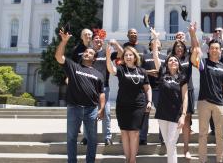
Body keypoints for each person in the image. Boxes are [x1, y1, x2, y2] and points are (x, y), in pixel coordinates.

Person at [55, 29, 104, 163]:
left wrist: (102, 108)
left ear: (94, 58)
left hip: (91, 110)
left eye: (90, 53)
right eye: (86, 52)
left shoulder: (98, 74)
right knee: (71, 138)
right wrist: (64, 41)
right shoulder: (74, 67)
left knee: (92, 139)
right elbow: (59, 57)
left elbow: (101, 93)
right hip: (74, 108)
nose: (87, 53)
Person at [189, 22, 223, 163]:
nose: (214, 50)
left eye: (217, 48)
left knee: (220, 135)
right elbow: (196, 48)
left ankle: (220, 160)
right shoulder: (203, 64)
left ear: (220, 51)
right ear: (209, 50)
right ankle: (202, 160)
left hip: (220, 103)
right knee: (202, 134)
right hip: (204, 102)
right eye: (212, 48)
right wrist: (193, 33)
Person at [106, 45, 152, 163]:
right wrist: (108, 56)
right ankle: (128, 159)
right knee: (125, 132)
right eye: (126, 55)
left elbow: (147, 88)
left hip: (138, 105)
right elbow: (112, 70)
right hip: (122, 106)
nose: (128, 57)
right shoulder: (121, 69)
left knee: (135, 132)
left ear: (135, 57)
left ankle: (133, 159)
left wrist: (149, 101)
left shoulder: (142, 71)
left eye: (130, 55)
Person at [150, 29, 188, 163]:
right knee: (168, 144)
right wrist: (155, 39)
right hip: (162, 113)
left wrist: (183, 115)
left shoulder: (182, 78)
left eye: (175, 61)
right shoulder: (163, 74)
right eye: (170, 60)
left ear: (178, 64)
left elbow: (185, 97)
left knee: (171, 143)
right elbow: (155, 54)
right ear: (167, 63)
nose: (173, 62)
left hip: (175, 114)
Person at [91, 30, 123, 146]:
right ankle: (88, 137)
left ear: (102, 41)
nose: (98, 40)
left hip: (104, 88)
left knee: (107, 113)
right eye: (96, 38)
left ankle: (107, 137)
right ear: (92, 41)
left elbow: (121, 54)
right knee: (90, 113)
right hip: (89, 89)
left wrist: (116, 44)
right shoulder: (88, 53)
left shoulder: (106, 52)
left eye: (100, 38)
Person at [169, 39, 194, 159]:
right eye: (177, 46)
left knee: (187, 120)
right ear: (174, 49)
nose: (179, 48)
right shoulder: (171, 59)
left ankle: (186, 149)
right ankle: (171, 147)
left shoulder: (188, 58)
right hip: (174, 91)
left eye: (181, 46)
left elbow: (196, 49)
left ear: (184, 48)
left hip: (188, 90)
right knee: (173, 120)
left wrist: (192, 34)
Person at [139, 40, 167, 145]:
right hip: (147, 88)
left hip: (161, 89)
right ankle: (142, 137)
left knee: (162, 114)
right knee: (145, 113)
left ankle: (163, 137)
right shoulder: (144, 57)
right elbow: (139, 70)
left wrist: (160, 73)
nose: (156, 43)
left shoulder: (165, 57)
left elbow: (167, 71)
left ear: (161, 45)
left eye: (158, 42)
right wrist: (150, 72)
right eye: (153, 42)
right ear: (150, 45)